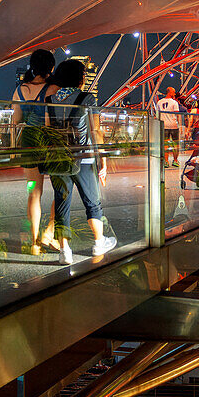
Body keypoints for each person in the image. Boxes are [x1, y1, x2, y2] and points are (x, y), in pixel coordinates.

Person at [47, 59, 117, 263]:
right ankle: (98, 243)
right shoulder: (87, 98)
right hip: (84, 158)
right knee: (93, 203)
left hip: (59, 159)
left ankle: (64, 252)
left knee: (62, 204)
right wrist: (102, 158)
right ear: (79, 78)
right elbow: (95, 130)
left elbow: (48, 129)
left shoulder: (50, 99)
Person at [10, 49, 56, 253]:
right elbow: (51, 117)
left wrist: (13, 150)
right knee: (62, 189)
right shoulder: (52, 88)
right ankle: (50, 232)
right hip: (48, 141)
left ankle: (34, 243)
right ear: (50, 67)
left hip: (27, 141)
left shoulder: (20, 89)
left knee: (34, 194)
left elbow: (15, 120)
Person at [156, 87, 181, 167]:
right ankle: (175, 160)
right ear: (170, 93)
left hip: (164, 125)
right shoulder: (174, 102)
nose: (174, 94)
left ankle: (166, 161)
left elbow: (157, 115)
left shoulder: (159, 102)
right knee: (175, 144)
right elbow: (177, 115)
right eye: (173, 92)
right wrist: (180, 125)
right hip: (173, 125)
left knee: (165, 144)